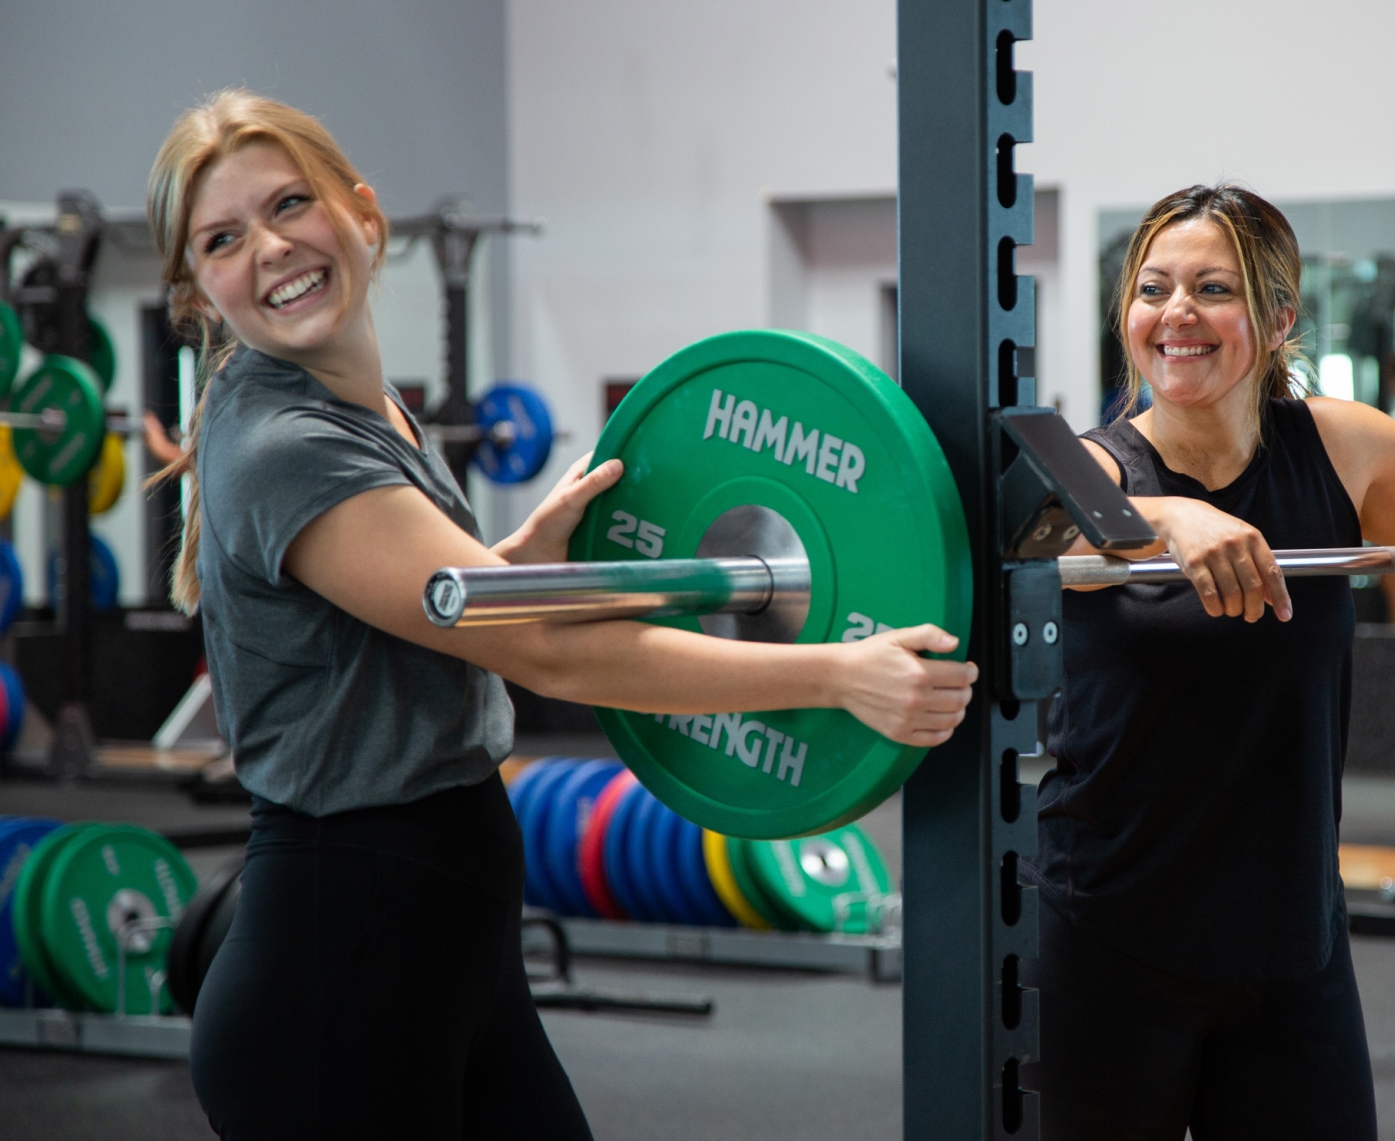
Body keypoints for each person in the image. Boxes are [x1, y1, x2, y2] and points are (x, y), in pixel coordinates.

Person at [148, 90, 976, 1141]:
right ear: (195, 288)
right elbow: (545, 654)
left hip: (445, 943)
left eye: (289, 204)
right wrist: (836, 673)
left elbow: (406, 636)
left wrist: (509, 563)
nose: (269, 248)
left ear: (362, 213)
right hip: (338, 968)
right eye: (224, 238)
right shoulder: (286, 444)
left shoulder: (362, 404)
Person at [1037, 185, 1395, 1140]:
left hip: (1293, 943)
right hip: (1109, 941)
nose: (1176, 314)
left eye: (1213, 289)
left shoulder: (1336, 446)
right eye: (1153, 289)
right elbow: (1040, 531)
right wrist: (1171, 518)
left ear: (1278, 314)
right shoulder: (1097, 471)